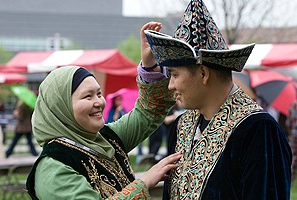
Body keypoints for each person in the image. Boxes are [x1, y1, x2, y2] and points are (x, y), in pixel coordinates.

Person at [143, 0, 292, 199]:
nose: (170, 86)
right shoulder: (181, 127)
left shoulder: (260, 131)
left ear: (203, 73)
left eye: (175, 75)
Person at [26, 22, 182, 199]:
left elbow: (149, 111)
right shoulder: (53, 167)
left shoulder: (107, 138)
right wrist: (144, 182)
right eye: (87, 96)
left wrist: (149, 66)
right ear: (61, 108)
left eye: (99, 94)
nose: (99, 102)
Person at [286, 99, 297, 182]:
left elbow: (288, 124)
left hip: (294, 136)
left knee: (291, 161)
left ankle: (289, 181)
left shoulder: (293, 105)